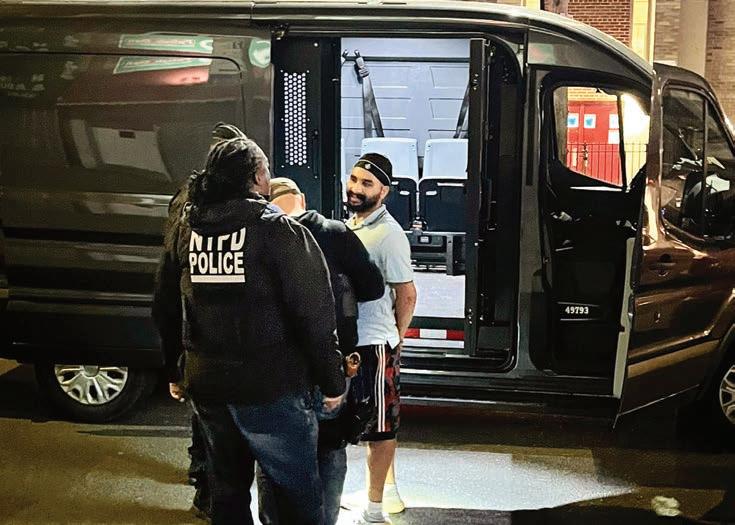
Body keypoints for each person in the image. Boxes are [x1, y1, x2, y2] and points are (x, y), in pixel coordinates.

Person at [152, 137, 346, 525]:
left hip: (208, 386)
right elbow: (314, 313)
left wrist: (176, 369)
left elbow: (165, 303)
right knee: (293, 497)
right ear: (258, 177)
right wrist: (332, 380)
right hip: (271, 387)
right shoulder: (278, 230)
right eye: (267, 169)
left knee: (227, 492)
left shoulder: (188, 229)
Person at [257, 177, 385, 525]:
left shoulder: (260, 237)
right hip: (331, 363)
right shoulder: (334, 233)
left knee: (274, 455)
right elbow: (373, 287)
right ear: (301, 197)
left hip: (276, 369)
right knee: (329, 448)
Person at [161, 122, 248, 520]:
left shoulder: (186, 195)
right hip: (208, 318)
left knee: (203, 407)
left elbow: (170, 268)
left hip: (190, 316)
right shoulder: (215, 203)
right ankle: (208, 491)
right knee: (215, 416)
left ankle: (201, 480)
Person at [345, 153, 417, 525]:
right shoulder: (350, 225)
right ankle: (379, 492)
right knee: (353, 424)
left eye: (366, 183)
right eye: (354, 179)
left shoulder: (389, 235)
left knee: (380, 429)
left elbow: (407, 295)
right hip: (349, 343)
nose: (356, 188)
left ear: (384, 191)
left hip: (374, 344)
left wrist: (394, 340)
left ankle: (374, 508)